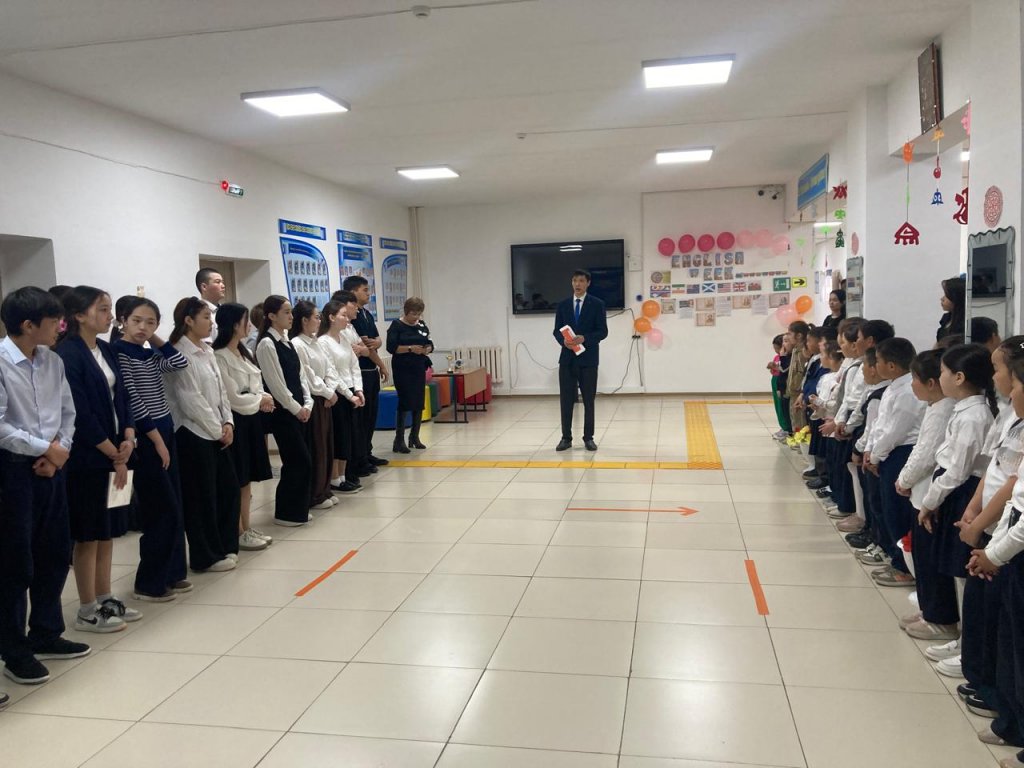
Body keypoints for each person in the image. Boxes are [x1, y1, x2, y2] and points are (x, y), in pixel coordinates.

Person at [0, 286, 89, 686]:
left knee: (54, 553)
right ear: (27, 325)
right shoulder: (2, 361)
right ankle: (14, 649)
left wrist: (59, 451)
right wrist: (45, 449)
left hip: (53, 467)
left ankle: (46, 632)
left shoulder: (52, 360)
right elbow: (1, 425)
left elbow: (67, 411)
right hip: (13, 471)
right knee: (15, 563)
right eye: (54, 322)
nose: (61, 328)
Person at [56, 286, 138, 633]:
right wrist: (111, 451)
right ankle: (87, 608)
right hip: (89, 458)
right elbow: (79, 412)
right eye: (102, 309)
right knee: (88, 533)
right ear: (78, 315)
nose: (109, 316)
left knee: (107, 531)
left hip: (118, 452)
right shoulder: (68, 354)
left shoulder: (105, 348)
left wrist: (129, 436)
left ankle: (105, 596)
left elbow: (123, 397)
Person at [913, 343, 997, 642]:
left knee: (961, 569)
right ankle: (960, 636)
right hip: (954, 490)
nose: (940, 378)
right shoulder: (964, 410)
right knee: (952, 566)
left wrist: (929, 501)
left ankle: (964, 639)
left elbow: (958, 471)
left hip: (962, 493)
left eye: (943, 372)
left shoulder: (974, 416)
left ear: (959, 377)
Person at [113, 297, 192, 601]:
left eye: (150, 322)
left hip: (165, 431)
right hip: (147, 439)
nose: (143, 327)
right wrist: (157, 441)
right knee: (161, 509)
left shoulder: (147, 353)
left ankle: (172, 572)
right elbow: (133, 400)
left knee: (175, 505)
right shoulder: (119, 352)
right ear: (123, 320)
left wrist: (153, 338)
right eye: (136, 321)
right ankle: (149, 582)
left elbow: (179, 362)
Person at [165, 297, 240, 571]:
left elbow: (221, 393)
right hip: (192, 432)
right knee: (201, 498)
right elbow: (190, 400)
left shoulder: (207, 350)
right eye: (206, 317)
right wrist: (218, 429)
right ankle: (205, 556)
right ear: (188, 320)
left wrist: (228, 422)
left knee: (227, 491)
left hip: (217, 431)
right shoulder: (178, 353)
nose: (211, 322)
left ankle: (225, 546)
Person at [863, 337, 926, 587]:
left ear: (891, 365)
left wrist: (876, 455)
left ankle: (904, 567)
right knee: (884, 507)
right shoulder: (893, 387)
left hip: (900, 452)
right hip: (885, 451)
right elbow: (880, 425)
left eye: (877, 361)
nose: (874, 365)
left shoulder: (908, 391)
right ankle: (894, 556)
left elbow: (896, 431)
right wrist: (871, 449)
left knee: (896, 511)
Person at [213, 303, 275, 551]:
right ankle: (237, 530)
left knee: (247, 478)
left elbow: (255, 384)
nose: (249, 325)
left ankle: (246, 527)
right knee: (237, 478)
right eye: (245, 320)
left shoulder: (243, 351)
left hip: (251, 420)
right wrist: (259, 400)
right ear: (233, 324)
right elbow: (232, 397)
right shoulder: (219, 356)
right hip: (235, 420)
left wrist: (261, 397)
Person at [255, 295, 314, 527]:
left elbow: (300, 376)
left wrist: (307, 403)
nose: (291, 316)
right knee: (297, 460)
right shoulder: (267, 344)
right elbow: (276, 384)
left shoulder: (287, 341)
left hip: (299, 409)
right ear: (271, 316)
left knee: (303, 459)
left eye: (291, 312)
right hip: (283, 412)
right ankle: (286, 512)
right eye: (286, 312)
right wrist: (296, 408)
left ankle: (298, 508)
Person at [291, 300, 339, 510]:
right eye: (317, 317)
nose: (320, 321)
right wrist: (327, 392)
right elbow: (308, 376)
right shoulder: (297, 344)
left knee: (327, 444)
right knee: (317, 446)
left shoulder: (315, 342)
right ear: (304, 320)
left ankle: (325, 488)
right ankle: (315, 493)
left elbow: (330, 368)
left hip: (326, 398)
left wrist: (332, 390)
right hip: (314, 398)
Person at [553, 269, 608, 451]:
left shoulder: (597, 304)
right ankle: (566, 438)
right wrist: (563, 342)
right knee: (566, 400)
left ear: (588, 283)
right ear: (572, 282)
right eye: (575, 280)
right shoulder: (563, 305)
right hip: (567, 360)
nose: (578, 284)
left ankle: (588, 438)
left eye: (581, 281)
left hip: (588, 360)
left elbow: (602, 331)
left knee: (589, 401)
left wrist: (585, 338)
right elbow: (556, 330)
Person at [340, 277, 389, 474]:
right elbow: (364, 346)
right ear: (353, 293)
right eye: (365, 290)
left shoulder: (366, 314)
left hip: (370, 370)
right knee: (360, 419)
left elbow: (374, 342)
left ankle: (367, 452)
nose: (369, 294)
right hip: (359, 373)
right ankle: (359, 458)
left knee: (370, 416)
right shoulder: (353, 318)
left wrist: (376, 345)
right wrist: (381, 363)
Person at [318, 296, 365, 493]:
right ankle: (335, 478)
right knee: (338, 436)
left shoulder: (344, 338)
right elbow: (332, 373)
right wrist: (348, 394)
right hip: (338, 395)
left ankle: (344, 476)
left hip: (351, 391)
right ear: (331, 317)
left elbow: (354, 365)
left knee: (349, 436)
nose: (347, 319)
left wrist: (358, 390)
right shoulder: (323, 342)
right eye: (343, 315)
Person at [386, 297, 435, 453]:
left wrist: (426, 349)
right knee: (405, 401)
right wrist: (410, 348)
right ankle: (399, 440)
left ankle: (415, 437)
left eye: (419, 314)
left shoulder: (421, 325)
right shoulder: (396, 325)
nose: (416, 317)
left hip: (418, 367)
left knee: (419, 401)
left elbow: (430, 343)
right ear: (406, 312)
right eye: (413, 314)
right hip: (403, 368)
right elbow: (391, 347)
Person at [196, 267, 227, 343]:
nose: (223, 286)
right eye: (218, 282)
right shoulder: (198, 312)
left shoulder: (225, 310)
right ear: (204, 287)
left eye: (222, 282)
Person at [937, 276, 966, 342]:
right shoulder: (946, 318)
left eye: (946, 295)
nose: (942, 299)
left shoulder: (964, 324)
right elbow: (938, 343)